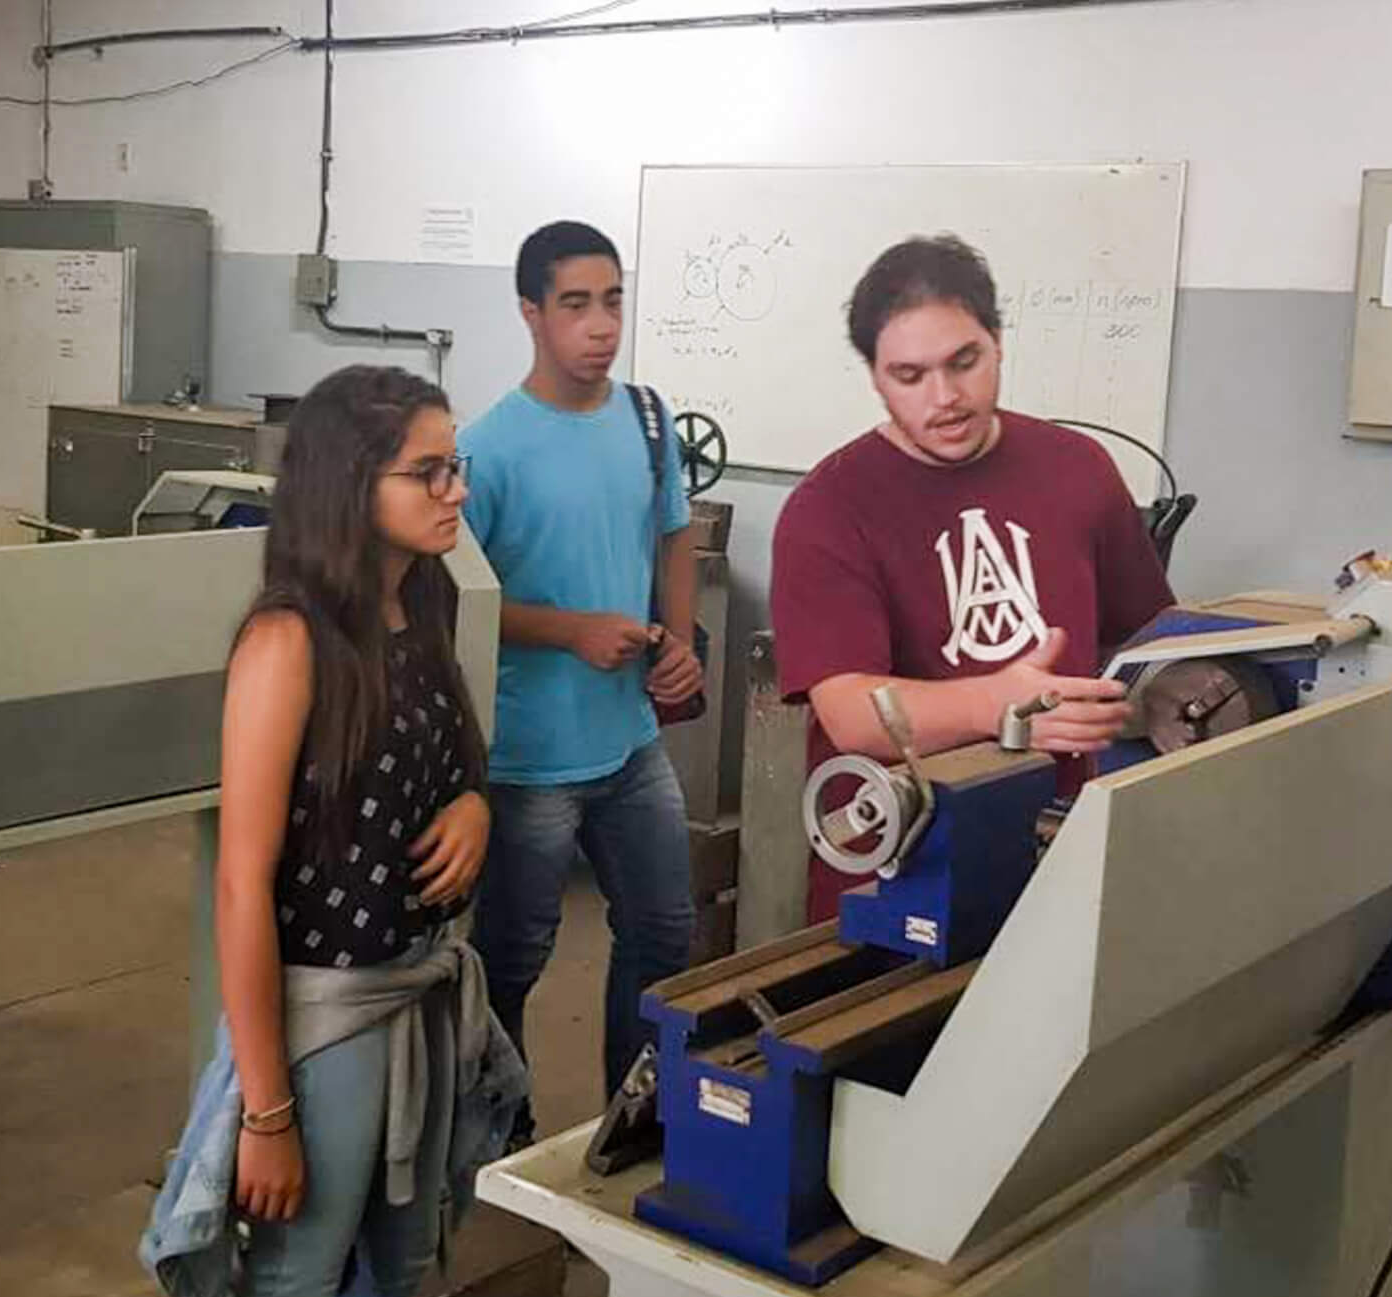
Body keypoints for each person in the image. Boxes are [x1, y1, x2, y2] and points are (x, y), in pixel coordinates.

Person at [138, 365, 523, 1297]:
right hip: (331, 1025)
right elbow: (241, 887)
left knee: (392, 1271)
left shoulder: (426, 604)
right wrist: (266, 1111)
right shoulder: (287, 643)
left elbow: (450, 764)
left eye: (456, 465)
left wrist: (475, 807)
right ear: (351, 486)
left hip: (420, 991)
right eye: (429, 471)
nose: (456, 490)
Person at [771, 233, 1177, 921]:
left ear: (998, 343)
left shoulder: (1079, 468)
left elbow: (1143, 642)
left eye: (965, 362)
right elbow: (850, 714)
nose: (946, 397)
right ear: (874, 376)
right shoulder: (829, 508)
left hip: (1065, 851)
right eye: (910, 375)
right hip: (903, 869)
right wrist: (998, 704)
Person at [461, 220, 700, 1125]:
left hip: (631, 743)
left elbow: (673, 533)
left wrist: (680, 640)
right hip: (529, 758)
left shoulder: (647, 418)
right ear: (531, 313)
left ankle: (631, 1122)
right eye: (575, 305)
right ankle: (499, 1136)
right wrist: (569, 632)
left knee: (664, 933)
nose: (601, 326)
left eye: (612, 302)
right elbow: (458, 602)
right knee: (512, 958)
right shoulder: (488, 449)